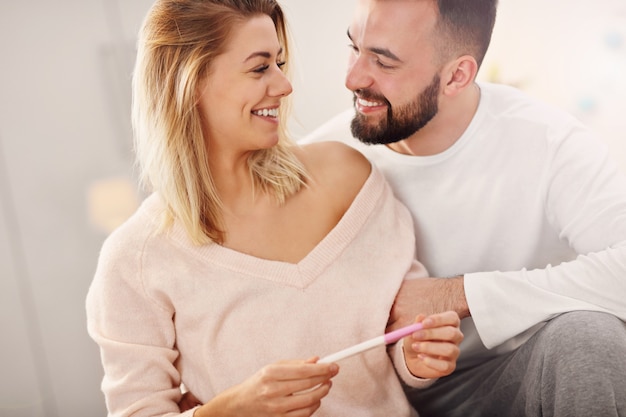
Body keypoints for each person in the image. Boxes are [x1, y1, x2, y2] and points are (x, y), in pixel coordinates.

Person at [85, 1, 464, 416]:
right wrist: (230, 410)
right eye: (260, 67)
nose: (284, 86)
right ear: (189, 82)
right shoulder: (137, 259)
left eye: (280, 63)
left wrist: (417, 357)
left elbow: (396, 334)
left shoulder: (345, 178)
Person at [302, 0, 626, 416]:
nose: (352, 78)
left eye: (384, 62)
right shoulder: (317, 161)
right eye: (354, 47)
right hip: (377, 397)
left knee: (588, 338)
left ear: (457, 75)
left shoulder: (545, 140)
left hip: (516, 378)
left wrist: (460, 293)